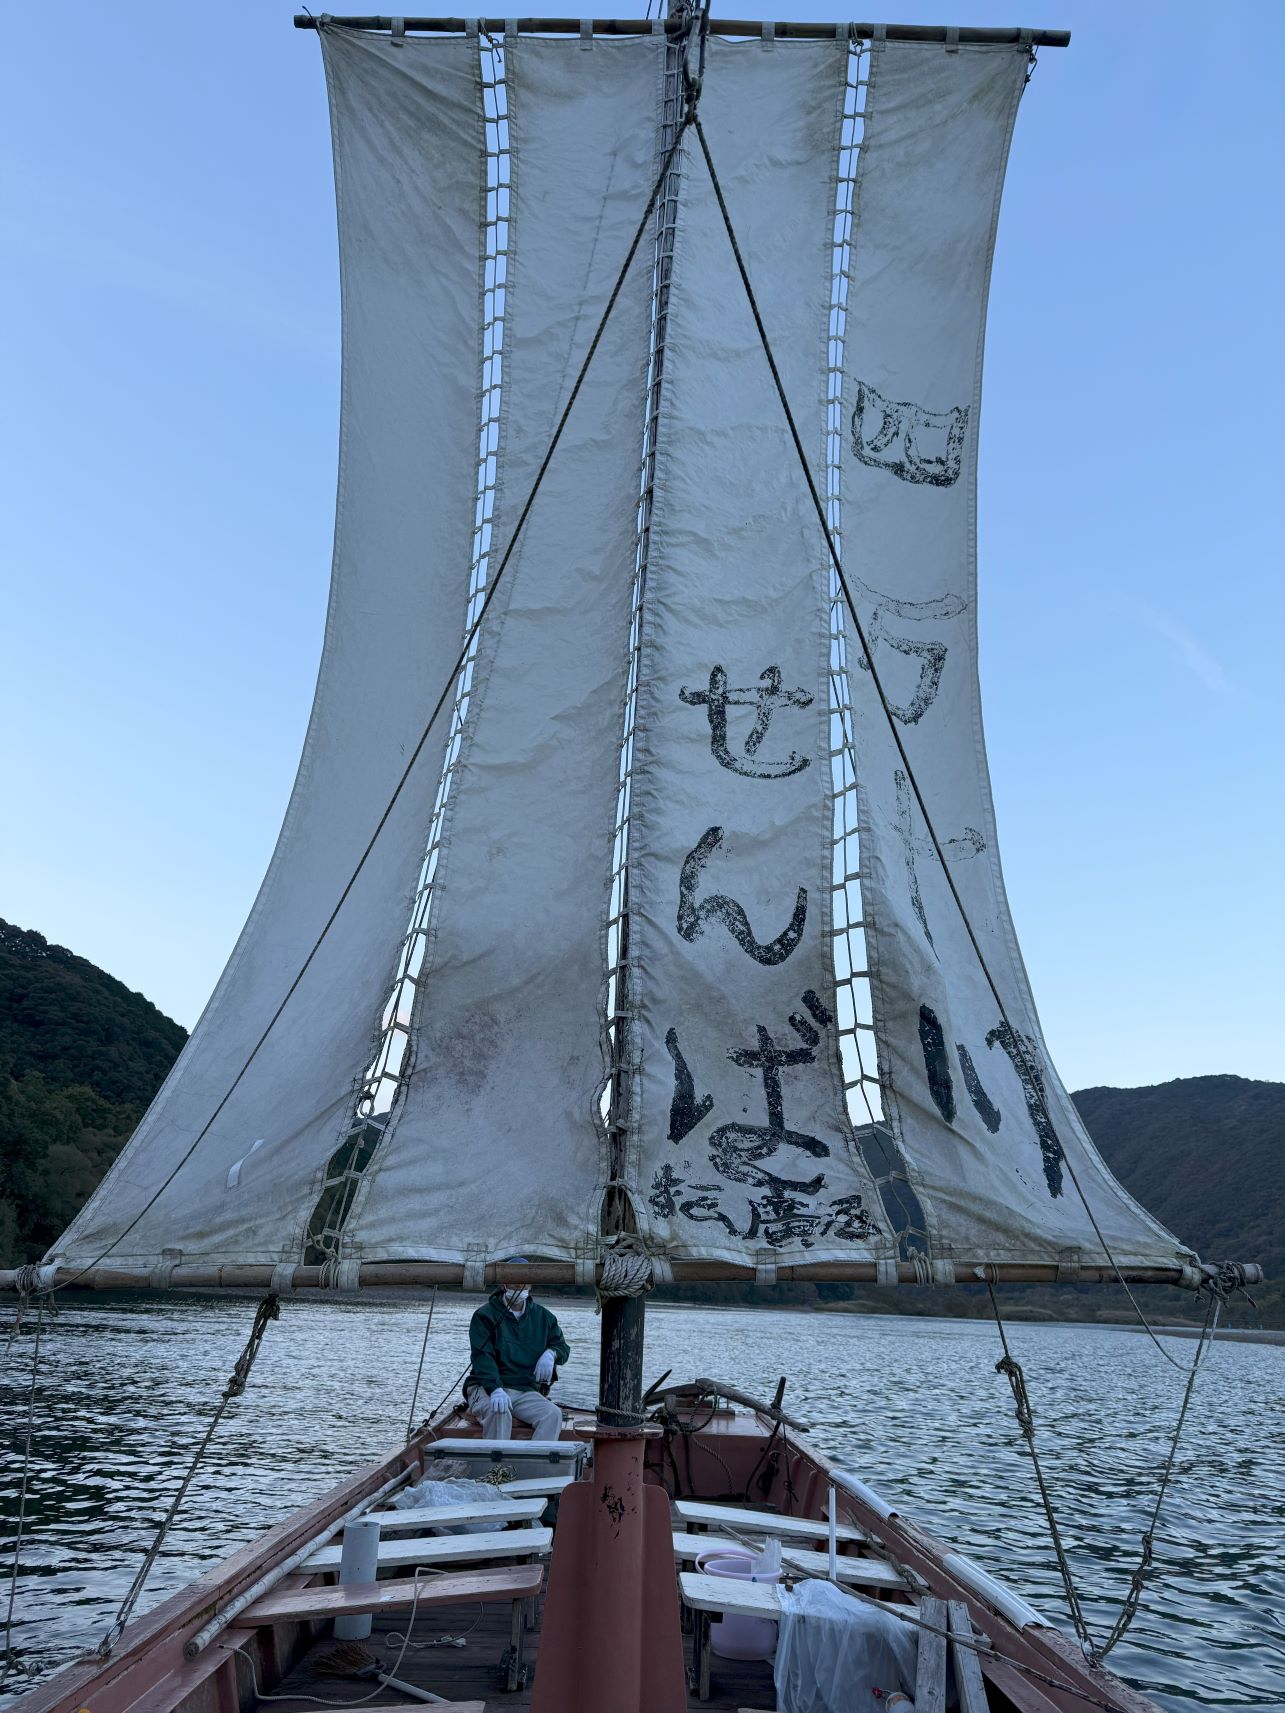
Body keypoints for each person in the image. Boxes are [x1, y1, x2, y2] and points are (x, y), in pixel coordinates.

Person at [465, 1259, 570, 1442]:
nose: (519, 1284)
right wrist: (495, 1389)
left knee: (552, 1415)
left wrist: (551, 1353)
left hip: (525, 1390)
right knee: (499, 1411)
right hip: (487, 1387)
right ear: (504, 1282)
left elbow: (562, 1347)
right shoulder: (484, 1315)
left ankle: (536, 1460)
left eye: (524, 1279)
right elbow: (482, 1357)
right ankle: (496, 1462)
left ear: (531, 1283)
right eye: (513, 1278)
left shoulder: (544, 1317)